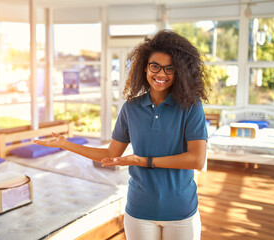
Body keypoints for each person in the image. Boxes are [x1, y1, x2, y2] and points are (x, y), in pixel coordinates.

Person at [35, 29, 209, 240]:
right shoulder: (131, 108)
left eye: (169, 68)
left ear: (180, 71)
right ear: (144, 67)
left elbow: (197, 160)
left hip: (181, 211)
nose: (161, 74)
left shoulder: (191, 106)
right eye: (155, 66)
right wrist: (65, 144)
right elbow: (110, 153)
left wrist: (142, 160)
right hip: (139, 210)